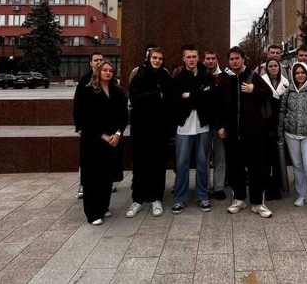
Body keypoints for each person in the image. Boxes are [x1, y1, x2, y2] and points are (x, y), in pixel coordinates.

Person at [217, 47, 274, 218]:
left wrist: (253, 90)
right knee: (235, 166)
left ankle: (257, 202)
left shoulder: (253, 76)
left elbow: (269, 94)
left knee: (256, 168)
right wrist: (220, 125)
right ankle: (239, 199)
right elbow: (218, 105)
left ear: (243, 59)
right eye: (231, 59)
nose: (234, 61)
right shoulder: (225, 80)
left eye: (237, 58)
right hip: (232, 133)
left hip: (253, 132)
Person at [74, 61, 128, 225]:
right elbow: (85, 116)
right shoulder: (88, 91)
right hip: (93, 140)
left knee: (106, 176)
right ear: (98, 71)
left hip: (112, 140)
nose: (108, 73)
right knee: (93, 177)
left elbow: (123, 115)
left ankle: (103, 206)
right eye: (105, 70)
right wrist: (102, 135)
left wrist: (118, 133)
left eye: (111, 70)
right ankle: (92, 213)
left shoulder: (117, 91)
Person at [169, 45, 217, 213]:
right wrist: (199, 93)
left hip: (202, 125)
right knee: (182, 164)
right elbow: (176, 99)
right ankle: (180, 198)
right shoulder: (178, 78)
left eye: (194, 56)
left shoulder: (206, 76)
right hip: (183, 126)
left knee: (203, 163)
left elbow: (210, 97)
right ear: (184, 58)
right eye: (188, 57)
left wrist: (190, 95)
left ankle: (203, 196)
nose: (191, 59)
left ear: (198, 58)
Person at [126, 48, 170, 218]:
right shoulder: (139, 75)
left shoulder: (165, 77)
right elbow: (135, 98)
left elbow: (167, 98)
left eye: (160, 58)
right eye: (154, 58)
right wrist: (156, 95)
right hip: (140, 129)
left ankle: (156, 198)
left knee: (158, 165)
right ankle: (137, 199)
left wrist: (149, 97)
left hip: (159, 129)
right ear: (148, 58)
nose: (157, 61)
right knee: (140, 164)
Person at [278, 63, 307, 216]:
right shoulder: (289, 91)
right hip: (291, 134)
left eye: (302, 72)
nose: (300, 75)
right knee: (298, 165)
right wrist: (281, 131)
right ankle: (302, 195)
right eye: (297, 72)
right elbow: (282, 111)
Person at [253, 43, 285, 199]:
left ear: (279, 68)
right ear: (266, 68)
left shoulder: (286, 83)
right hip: (264, 125)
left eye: (276, 66)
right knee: (265, 159)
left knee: (278, 159)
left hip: (280, 125)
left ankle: (277, 187)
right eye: (270, 66)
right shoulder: (260, 81)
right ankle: (265, 185)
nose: (273, 68)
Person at [74, 52, 106, 200]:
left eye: (101, 60)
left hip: (105, 127)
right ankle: (83, 184)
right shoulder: (84, 80)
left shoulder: (108, 78)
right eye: (96, 60)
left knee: (103, 157)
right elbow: (78, 104)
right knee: (86, 158)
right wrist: (78, 125)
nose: (98, 62)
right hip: (88, 126)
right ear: (91, 63)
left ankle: (106, 182)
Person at [203, 50, 227, 200]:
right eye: (208, 59)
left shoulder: (224, 77)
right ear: (204, 60)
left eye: (213, 58)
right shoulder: (200, 76)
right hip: (203, 123)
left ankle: (219, 187)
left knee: (220, 156)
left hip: (220, 125)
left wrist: (222, 124)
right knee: (203, 157)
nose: (210, 61)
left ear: (217, 59)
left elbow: (225, 103)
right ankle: (204, 187)